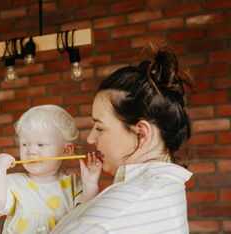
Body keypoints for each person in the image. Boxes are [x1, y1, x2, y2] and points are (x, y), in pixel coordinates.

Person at [51, 45, 193, 234]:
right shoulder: (164, 189)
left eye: (100, 128)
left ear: (141, 134)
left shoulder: (120, 211)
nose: (91, 138)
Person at [0, 104, 102, 234]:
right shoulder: (14, 183)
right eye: (25, 144)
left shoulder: (73, 184)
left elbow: (85, 217)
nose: (31, 151)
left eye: (41, 144)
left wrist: (90, 185)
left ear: (66, 150)